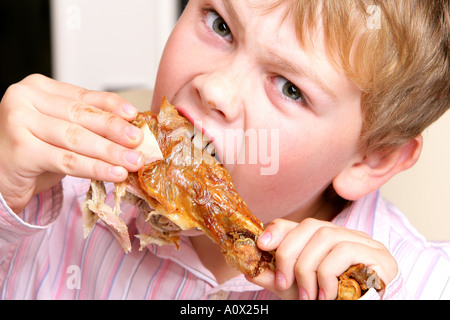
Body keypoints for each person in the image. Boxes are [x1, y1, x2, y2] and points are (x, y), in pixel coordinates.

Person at [0, 0, 449, 300]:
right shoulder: (52, 201)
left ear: (373, 159)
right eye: (219, 25)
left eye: (290, 88)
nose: (214, 88)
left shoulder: (426, 286)